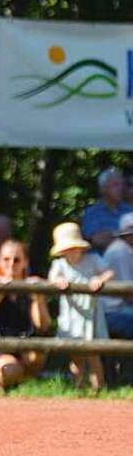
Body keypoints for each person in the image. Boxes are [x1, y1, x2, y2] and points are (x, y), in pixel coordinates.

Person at [0, 240, 51, 393]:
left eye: (17, 260)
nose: (11, 264)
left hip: (23, 346)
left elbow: (43, 325)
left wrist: (38, 299)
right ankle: (4, 380)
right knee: (9, 368)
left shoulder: (31, 286)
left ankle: (9, 381)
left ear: (25, 262)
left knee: (38, 354)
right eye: (6, 259)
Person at [48, 222, 113, 393]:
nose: (71, 251)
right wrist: (58, 282)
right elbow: (52, 279)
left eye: (74, 247)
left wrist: (100, 280)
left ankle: (98, 387)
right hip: (72, 314)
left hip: (91, 311)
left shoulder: (92, 259)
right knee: (75, 353)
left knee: (93, 352)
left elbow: (108, 272)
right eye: (67, 249)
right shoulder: (59, 265)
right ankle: (78, 386)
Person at [102, 212, 133, 382]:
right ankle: (127, 376)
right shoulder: (121, 252)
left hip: (120, 309)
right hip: (113, 311)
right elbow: (128, 293)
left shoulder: (124, 249)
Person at [81, 168, 132, 253]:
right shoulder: (93, 213)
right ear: (103, 189)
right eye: (116, 185)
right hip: (103, 262)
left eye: (122, 184)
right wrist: (125, 235)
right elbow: (98, 240)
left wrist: (111, 235)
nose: (121, 188)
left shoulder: (129, 210)